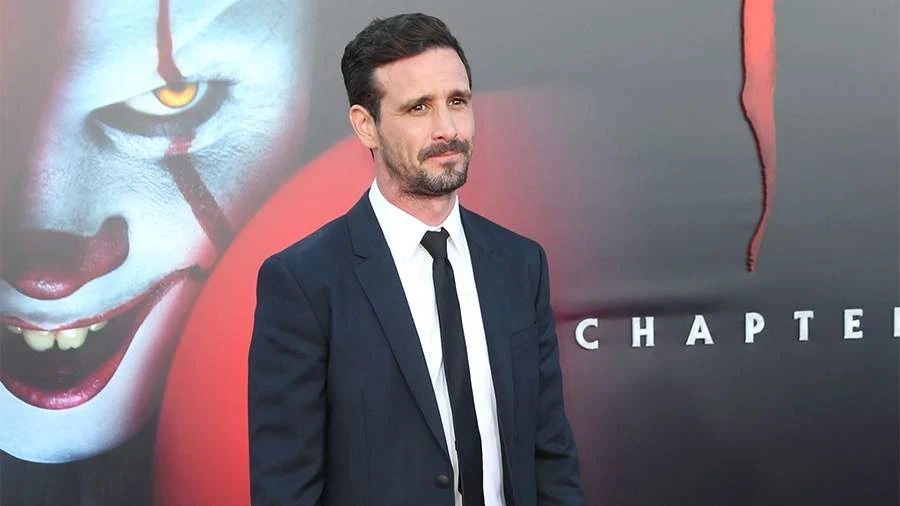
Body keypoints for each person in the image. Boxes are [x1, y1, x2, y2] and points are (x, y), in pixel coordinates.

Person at [248, 12, 583, 506]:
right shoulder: (304, 282)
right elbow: (286, 488)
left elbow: (550, 453)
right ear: (366, 126)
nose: (447, 128)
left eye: (457, 101)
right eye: (419, 107)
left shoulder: (520, 264)